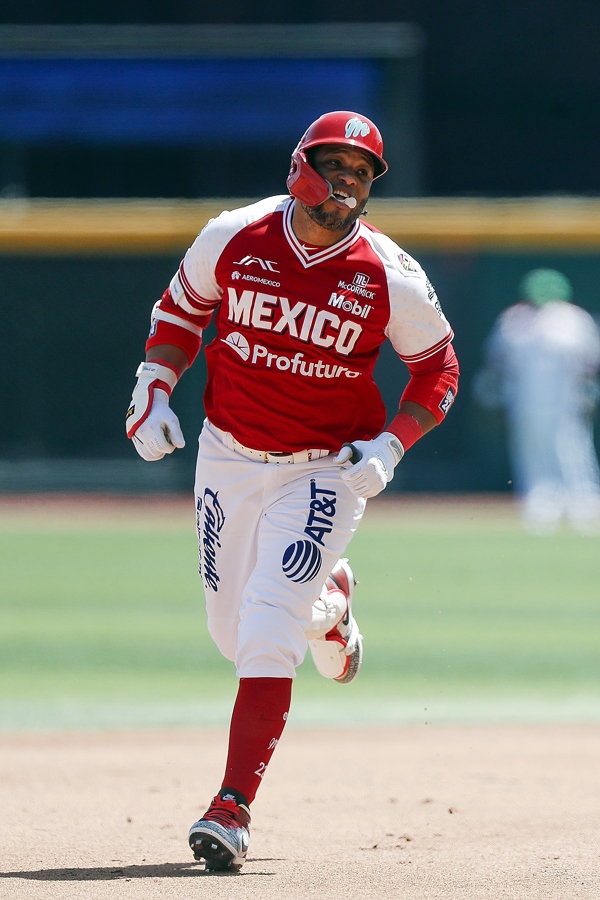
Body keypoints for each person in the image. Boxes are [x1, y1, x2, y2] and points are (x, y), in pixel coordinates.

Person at [126, 111, 459, 871]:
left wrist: (391, 446)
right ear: (300, 166)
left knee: (268, 626)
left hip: (323, 468)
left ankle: (231, 807)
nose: (348, 182)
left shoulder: (389, 272)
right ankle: (330, 605)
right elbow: (181, 312)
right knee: (232, 635)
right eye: (335, 165)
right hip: (229, 455)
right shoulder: (234, 233)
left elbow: (437, 369)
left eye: (362, 173)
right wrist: (153, 385)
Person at [474, 268, 600, 533]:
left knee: (571, 446)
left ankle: (583, 501)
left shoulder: (574, 318)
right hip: (523, 397)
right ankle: (541, 502)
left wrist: (587, 388)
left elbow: (590, 360)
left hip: (566, 397)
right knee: (530, 448)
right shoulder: (514, 318)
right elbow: (497, 359)